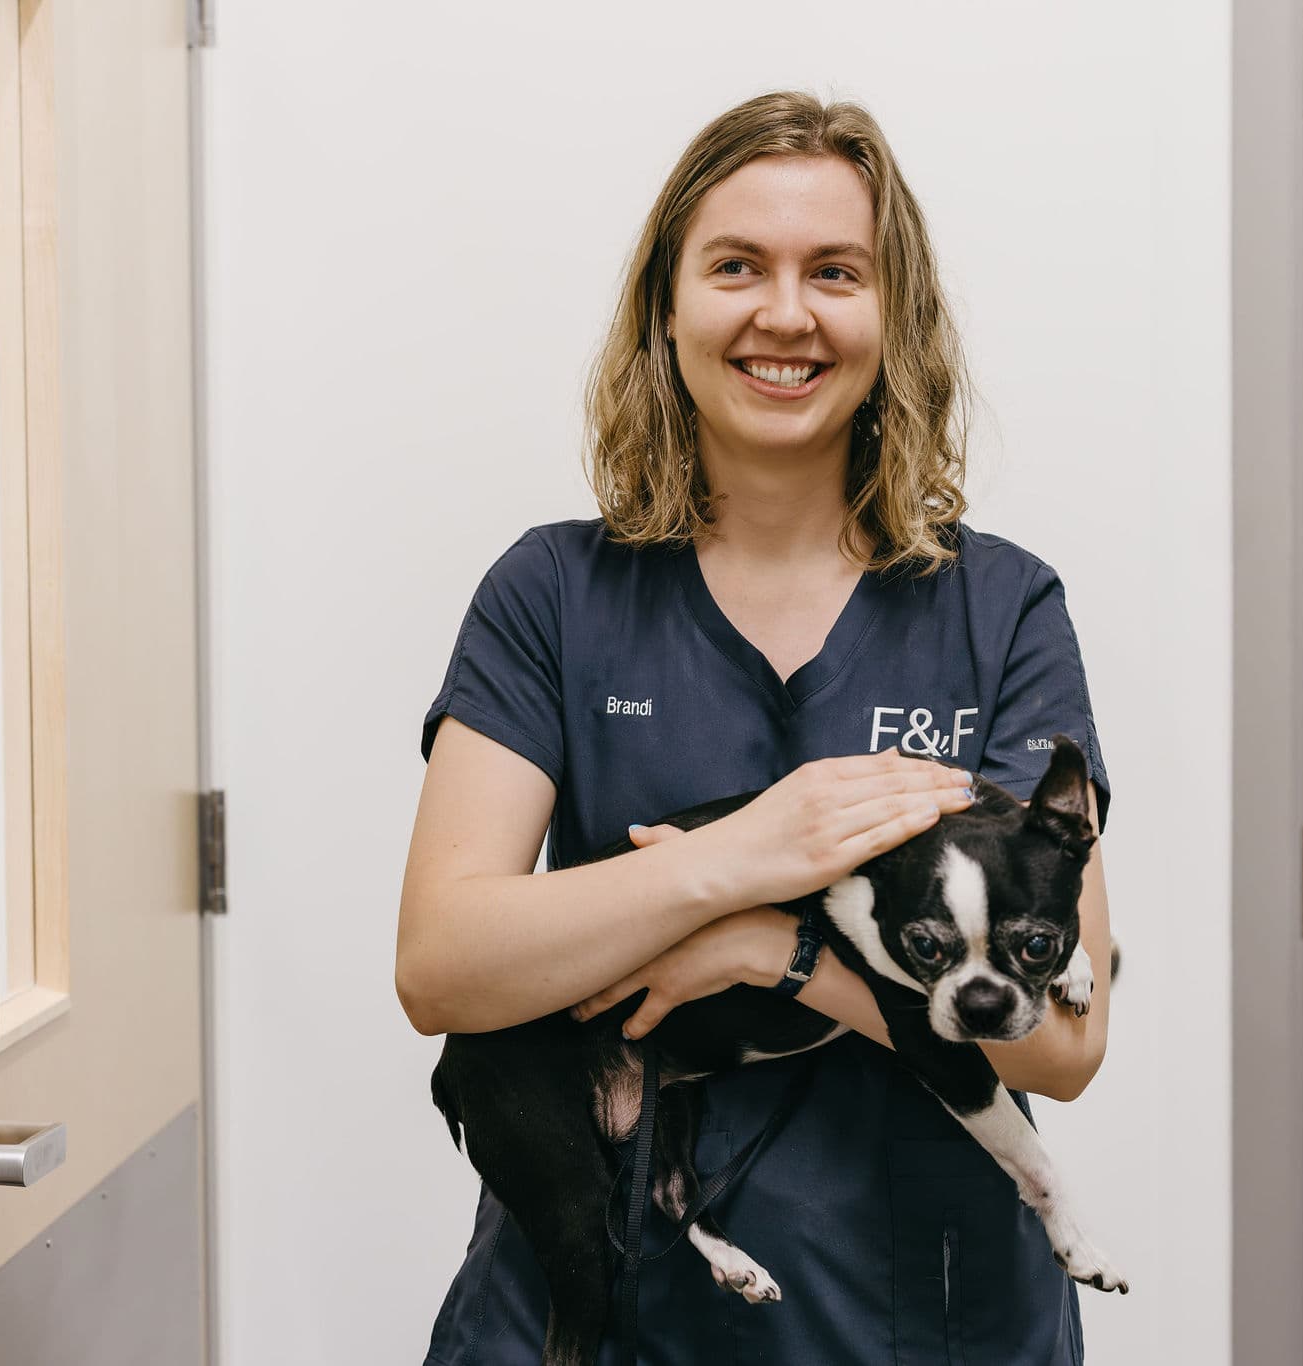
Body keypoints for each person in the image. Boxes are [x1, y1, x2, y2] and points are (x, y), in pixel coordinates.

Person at [397, 89, 1115, 1366]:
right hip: (599, 1300)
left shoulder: (1001, 608)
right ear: (665, 308)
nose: (783, 313)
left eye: (833, 272)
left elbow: (1062, 1044)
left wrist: (762, 954)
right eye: (737, 266)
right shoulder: (551, 592)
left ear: (891, 319)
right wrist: (730, 859)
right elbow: (443, 963)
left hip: (922, 1313)